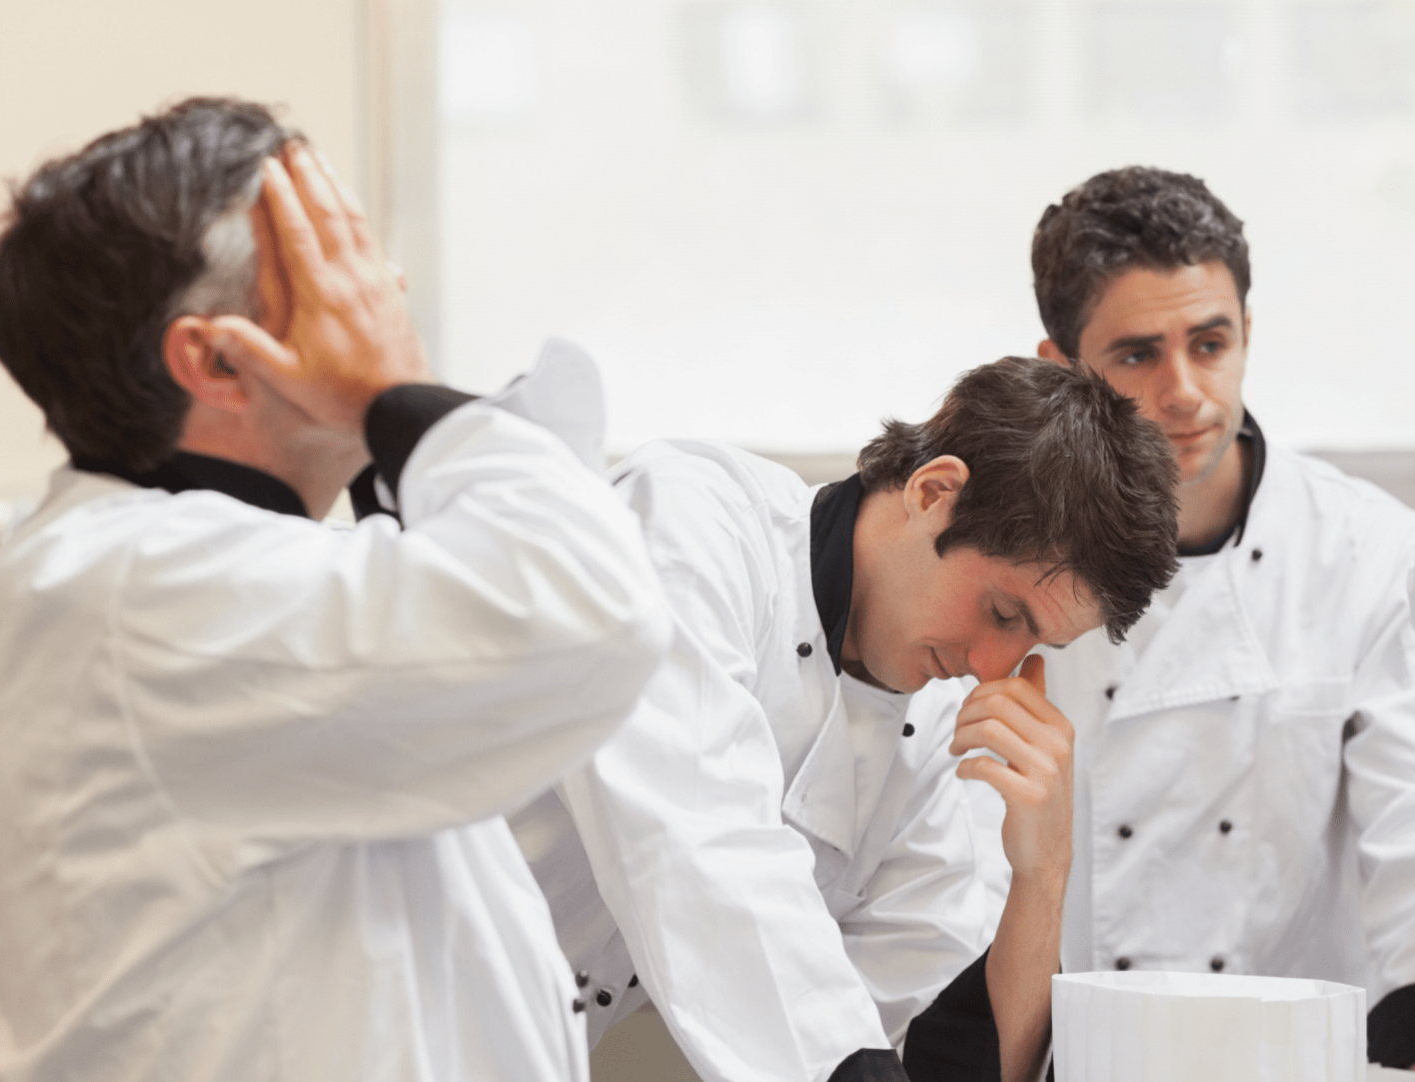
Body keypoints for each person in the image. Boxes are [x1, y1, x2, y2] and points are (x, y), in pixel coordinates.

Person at [0, 98, 670, 1082]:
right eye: (330, 270)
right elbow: (592, 615)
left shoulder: (180, 562)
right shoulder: (141, 591)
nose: (385, 288)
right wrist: (399, 398)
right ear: (215, 359)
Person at [509, 356, 1180, 1082]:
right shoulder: (693, 524)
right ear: (934, 491)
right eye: (1001, 612)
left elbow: (922, 1029)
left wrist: (1045, 872)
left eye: (1035, 643)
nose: (995, 666)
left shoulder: (928, 738)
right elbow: (696, 847)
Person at [944, 165, 1415, 1071]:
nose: (1187, 391)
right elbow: (956, 868)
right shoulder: (1007, 567)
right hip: (1076, 1060)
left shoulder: (1370, 558)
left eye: (1210, 342)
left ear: (1247, 334)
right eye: (1136, 355)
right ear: (1060, 369)